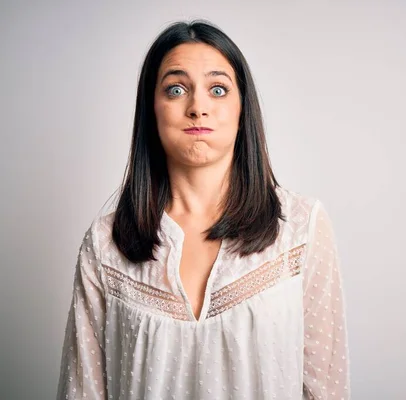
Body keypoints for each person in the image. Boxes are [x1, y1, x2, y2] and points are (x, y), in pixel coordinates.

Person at [55, 20, 350, 399]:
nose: (198, 107)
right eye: (176, 89)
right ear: (152, 109)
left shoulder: (300, 228)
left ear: (243, 108)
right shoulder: (105, 245)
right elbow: (82, 391)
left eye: (218, 89)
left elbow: (326, 388)